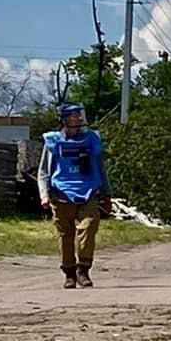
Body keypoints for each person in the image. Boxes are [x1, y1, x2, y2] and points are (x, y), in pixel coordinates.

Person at [37, 103, 110, 289]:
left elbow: (100, 168)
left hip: (89, 192)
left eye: (79, 115)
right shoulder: (53, 142)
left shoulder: (92, 139)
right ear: (64, 119)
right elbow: (44, 171)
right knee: (65, 235)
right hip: (61, 194)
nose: (78, 118)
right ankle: (69, 273)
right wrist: (44, 195)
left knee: (89, 227)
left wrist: (106, 194)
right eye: (74, 115)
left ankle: (83, 269)